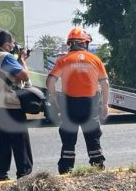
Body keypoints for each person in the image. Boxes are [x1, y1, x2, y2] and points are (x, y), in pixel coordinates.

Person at [46, 27, 109, 174]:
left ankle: (66, 171)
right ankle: (97, 168)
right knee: (93, 137)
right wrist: (105, 104)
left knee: (68, 139)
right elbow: (105, 84)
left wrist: (55, 97)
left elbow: (50, 81)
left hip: (69, 105)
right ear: (85, 43)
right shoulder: (95, 60)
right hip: (90, 104)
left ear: (70, 44)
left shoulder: (63, 60)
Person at [0, 30, 33, 181]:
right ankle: (24, 175)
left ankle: (0, 175)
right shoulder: (6, 57)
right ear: (6, 44)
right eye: (12, 43)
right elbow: (25, 75)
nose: (13, 46)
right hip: (10, 105)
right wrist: (22, 60)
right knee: (20, 140)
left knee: (2, 140)